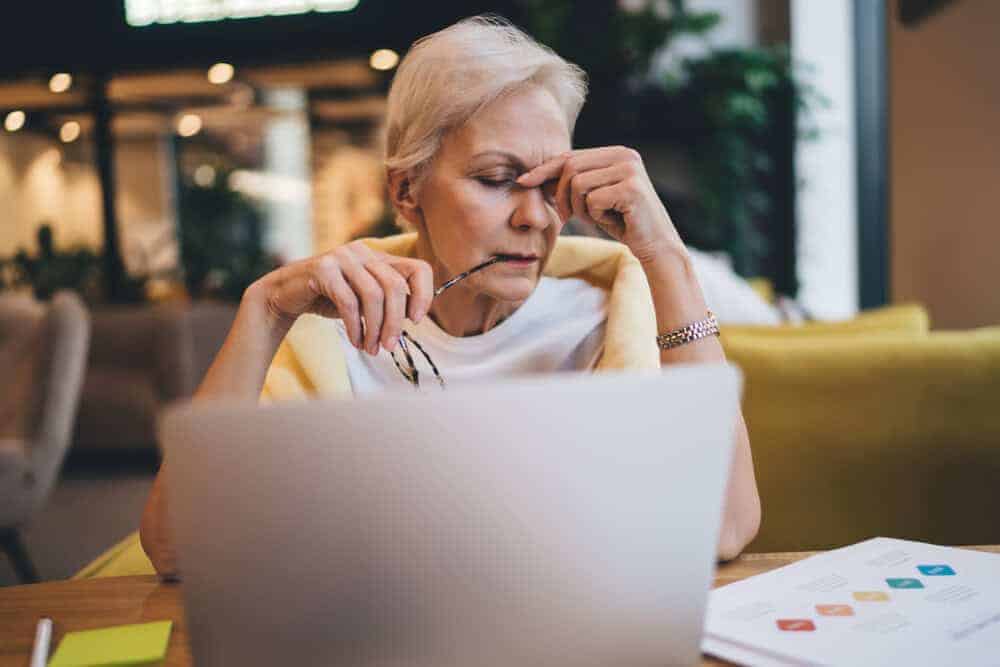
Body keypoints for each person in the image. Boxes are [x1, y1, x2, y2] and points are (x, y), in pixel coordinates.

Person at [141, 14, 760, 578]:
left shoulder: (606, 316)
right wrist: (266, 307)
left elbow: (726, 530)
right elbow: (173, 549)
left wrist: (667, 259)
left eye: (550, 187)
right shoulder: (328, 332)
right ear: (407, 191)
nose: (535, 219)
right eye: (496, 180)